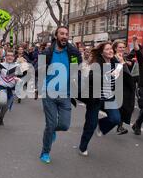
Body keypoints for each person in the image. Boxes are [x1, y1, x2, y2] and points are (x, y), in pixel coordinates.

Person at [39, 26, 82, 164]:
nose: (64, 36)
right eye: (62, 34)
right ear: (56, 35)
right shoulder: (47, 52)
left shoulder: (73, 52)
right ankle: (45, 151)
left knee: (64, 125)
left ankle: (52, 131)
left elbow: (77, 69)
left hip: (65, 94)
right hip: (49, 93)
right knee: (50, 124)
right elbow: (39, 70)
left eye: (66, 34)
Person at [77, 42, 122, 156]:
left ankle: (101, 125)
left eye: (111, 49)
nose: (111, 51)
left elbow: (120, 70)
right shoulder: (96, 63)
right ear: (102, 52)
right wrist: (107, 76)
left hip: (109, 97)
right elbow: (91, 79)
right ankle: (83, 147)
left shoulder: (114, 61)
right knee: (90, 125)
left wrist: (121, 64)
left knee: (116, 119)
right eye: (107, 49)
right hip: (95, 98)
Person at [0, 49, 24, 125]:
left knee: (6, 106)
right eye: (8, 55)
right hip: (2, 87)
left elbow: (22, 75)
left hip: (12, 89)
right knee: (2, 101)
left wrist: (19, 79)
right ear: (5, 57)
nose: (10, 57)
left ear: (14, 57)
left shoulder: (17, 67)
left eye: (11, 56)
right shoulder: (1, 65)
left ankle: (1, 118)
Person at [113, 41, 136, 135]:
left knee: (125, 106)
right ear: (115, 48)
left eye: (123, 47)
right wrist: (123, 64)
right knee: (118, 107)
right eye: (120, 47)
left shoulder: (124, 58)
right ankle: (105, 122)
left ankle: (119, 126)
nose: (122, 49)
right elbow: (115, 73)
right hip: (115, 86)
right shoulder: (113, 58)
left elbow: (128, 72)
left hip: (125, 85)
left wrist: (128, 63)